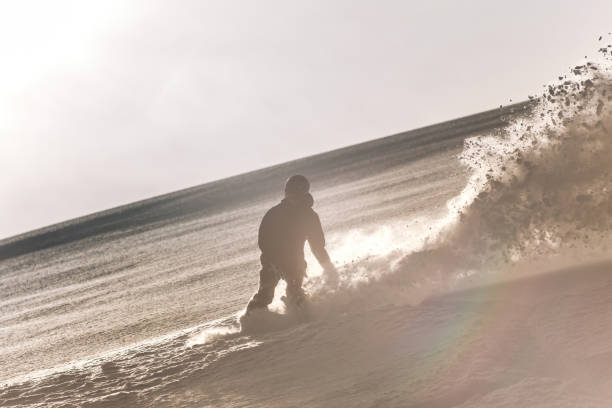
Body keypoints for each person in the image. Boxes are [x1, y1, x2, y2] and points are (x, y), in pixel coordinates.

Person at [246, 175, 336, 313]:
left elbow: (317, 247)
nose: (290, 194)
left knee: (296, 294)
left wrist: (329, 268)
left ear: (303, 192)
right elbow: (263, 242)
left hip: (295, 264)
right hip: (271, 263)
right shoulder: (273, 213)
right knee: (265, 296)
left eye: (294, 191)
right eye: (289, 190)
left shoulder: (309, 216)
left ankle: (302, 324)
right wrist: (275, 262)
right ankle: (251, 326)